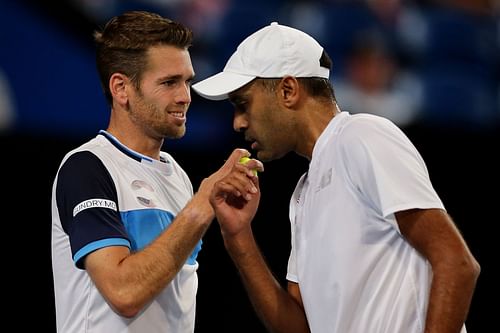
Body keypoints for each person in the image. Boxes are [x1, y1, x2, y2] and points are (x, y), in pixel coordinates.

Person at [192, 22, 481, 332]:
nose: (238, 122)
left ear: (288, 90)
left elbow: (456, 263)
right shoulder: (303, 192)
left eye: (243, 104)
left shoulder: (362, 135)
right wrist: (238, 238)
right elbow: (299, 328)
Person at [50, 11, 259, 333]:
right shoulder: (87, 167)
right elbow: (124, 292)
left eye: (187, 80)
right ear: (121, 88)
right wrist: (203, 204)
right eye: (169, 82)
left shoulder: (176, 174)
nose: (185, 96)